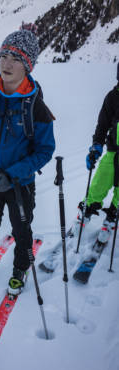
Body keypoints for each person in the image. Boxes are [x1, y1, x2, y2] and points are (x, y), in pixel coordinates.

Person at [0, 23, 55, 295]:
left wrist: (14, 174)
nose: (7, 63)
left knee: (22, 228)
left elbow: (45, 150)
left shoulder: (36, 107)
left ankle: (20, 267)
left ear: (27, 65)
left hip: (20, 184)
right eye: (4, 55)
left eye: (16, 58)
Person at [75, 62, 119, 238]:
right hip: (113, 150)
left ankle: (113, 215)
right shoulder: (113, 97)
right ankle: (87, 210)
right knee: (100, 182)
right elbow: (102, 125)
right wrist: (96, 146)